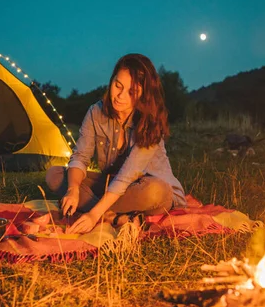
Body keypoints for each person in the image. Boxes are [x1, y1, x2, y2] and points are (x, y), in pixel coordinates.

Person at [45, 53, 186, 234]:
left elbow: (126, 177)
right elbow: (80, 157)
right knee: (55, 175)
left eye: (131, 92)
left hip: (146, 189)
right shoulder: (96, 112)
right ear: (111, 81)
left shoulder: (150, 123)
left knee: (155, 191)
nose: (120, 96)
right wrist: (73, 189)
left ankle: (96, 210)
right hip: (111, 185)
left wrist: (94, 214)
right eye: (117, 86)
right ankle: (114, 216)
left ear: (143, 95)